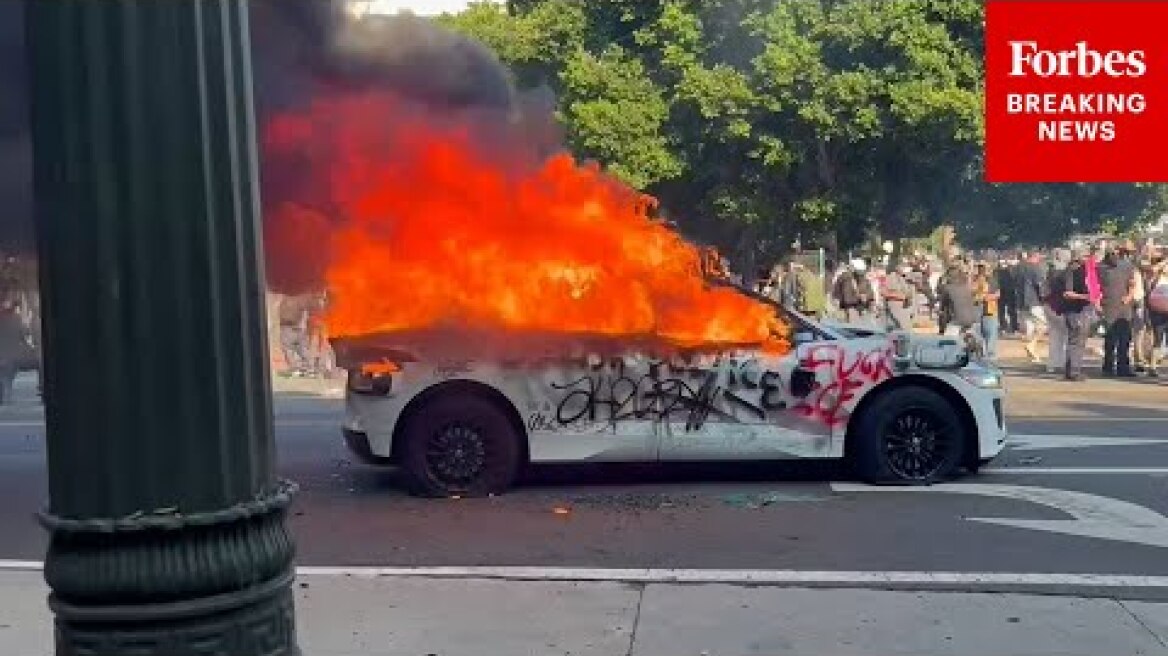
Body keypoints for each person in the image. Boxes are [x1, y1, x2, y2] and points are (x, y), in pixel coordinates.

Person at [1098, 240, 1138, 377]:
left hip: (1124, 306)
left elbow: (1132, 284)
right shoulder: (1101, 267)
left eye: (1116, 251)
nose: (1114, 255)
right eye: (1111, 252)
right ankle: (1108, 367)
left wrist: (1129, 296)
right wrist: (1098, 303)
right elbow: (1095, 287)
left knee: (1125, 339)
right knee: (1110, 338)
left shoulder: (1127, 266)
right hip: (1108, 305)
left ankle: (1123, 367)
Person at [1052, 248, 1093, 381]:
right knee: (1077, 342)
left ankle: (1071, 370)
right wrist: (1088, 296)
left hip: (1073, 311)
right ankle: (1074, 371)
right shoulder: (1074, 272)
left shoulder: (1068, 272)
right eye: (1086, 256)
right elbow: (1068, 293)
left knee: (1074, 341)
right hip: (1077, 311)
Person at [1017, 251, 1047, 363]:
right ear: (1034, 257)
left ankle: (1033, 353)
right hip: (1034, 301)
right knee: (1043, 326)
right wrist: (1044, 298)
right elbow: (1039, 285)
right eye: (1039, 257)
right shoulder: (1036, 268)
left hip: (1022, 301)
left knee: (1029, 327)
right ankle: (1032, 345)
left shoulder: (1019, 268)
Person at [938, 268, 980, 342]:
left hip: (956, 320)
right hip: (971, 320)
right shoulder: (967, 287)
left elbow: (942, 306)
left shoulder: (948, 288)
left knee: (946, 343)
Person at [832, 259, 875, 325]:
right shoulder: (846, 278)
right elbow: (847, 300)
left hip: (860, 308)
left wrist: (866, 296)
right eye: (859, 272)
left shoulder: (862, 279)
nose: (861, 275)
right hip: (848, 309)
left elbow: (871, 292)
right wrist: (860, 297)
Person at [973, 263, 1001, 360]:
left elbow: (998, 294)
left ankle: (989, 356)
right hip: (977, 310)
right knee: (979, 335)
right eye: (980, 268)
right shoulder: (973, 280)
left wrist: (986, 297)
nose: (981, 270)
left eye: (983, 268)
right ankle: (981, 355)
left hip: (989, 310)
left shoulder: (991, 280)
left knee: (990, 334)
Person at [996, 258, 1019, 335]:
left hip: (1002, 292)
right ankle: (1014, 327)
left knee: (1001, 311)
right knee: (1011, 311)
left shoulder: (996, 272)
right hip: (1009, 292)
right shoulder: (1011, 271)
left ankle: (1004, 327)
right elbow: (1015, 282)